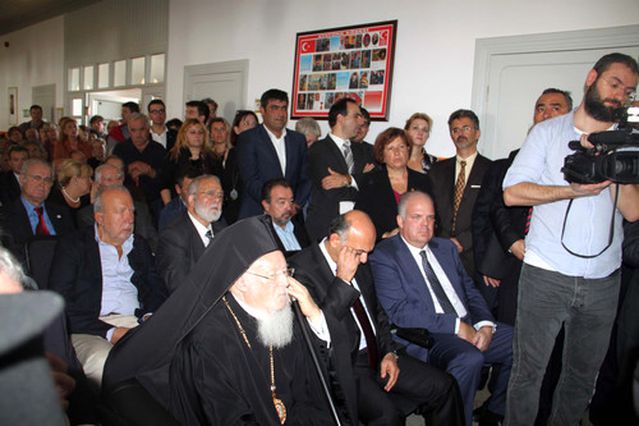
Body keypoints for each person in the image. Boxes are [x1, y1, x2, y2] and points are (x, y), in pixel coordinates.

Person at [502, 52, 639, 425]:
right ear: (592, 78)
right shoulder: (548, 132)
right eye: (614, 84)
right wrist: (571, 190)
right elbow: (512, 193)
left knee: (581, 379)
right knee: (528, 374)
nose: (619, 95)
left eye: (628, 91)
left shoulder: (626, 141)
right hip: (546, 274)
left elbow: (632, 212)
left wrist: (614, 166)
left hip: (603, 281)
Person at [103, 215, 340, 425]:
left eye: (285, 272)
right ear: (240, 281)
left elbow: (317, 391)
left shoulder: (285, 317)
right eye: (272, 275)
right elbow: (228, 417)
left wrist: (315, 316)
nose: (286, 283)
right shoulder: (209, 342)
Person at [290, 210, 465, 425]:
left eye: (368, 252)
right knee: (388, 417)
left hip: (379, 353)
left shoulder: (360, 259)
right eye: (359, 252)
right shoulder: (301, 271)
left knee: (444, 386)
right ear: (335, 240)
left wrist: (389, 352)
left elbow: (377, 313)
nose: (365, 259)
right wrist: (342, 281)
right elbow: (320, 331)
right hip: (347, 365)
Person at [369, 191, 513, 426]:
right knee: (469, 359)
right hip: (430, 334)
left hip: (468, 323)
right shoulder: (385, 255)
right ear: (400, 221)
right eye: (417, 217)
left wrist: (486, 324)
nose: (425, 224)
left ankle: (495, 412)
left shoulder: (445, 247)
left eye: (430, 217)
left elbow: (470, 291)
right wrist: (456, 327)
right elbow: (399, 311)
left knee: (519, 343)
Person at [48, 186, 166, 386]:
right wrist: (110, 332)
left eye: (132, 211)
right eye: (121, 211)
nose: (130, 219)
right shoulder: (74, 245)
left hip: (135, 323)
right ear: (100, 218)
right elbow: (58, 303)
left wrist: (149, 316)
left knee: (174, 352)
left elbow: (156, 288)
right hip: (89, 328)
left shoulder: (138, 245)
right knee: (105, 362)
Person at [427, 109, 492, 282]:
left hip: (476, 255)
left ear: (477, 133)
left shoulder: (491, 170)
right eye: (455, 130)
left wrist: (463, 241)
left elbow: (491, 215)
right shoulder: (437, 170)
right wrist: (442, 242)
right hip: (440, 250)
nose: (460, 133)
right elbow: (431, 209)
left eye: (466, 128)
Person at [306, 98, 376, 241]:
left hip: (358, 227)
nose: (361, 121)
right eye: (356, 116)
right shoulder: (319, 149)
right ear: (340, 118)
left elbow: (374, 183)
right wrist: (360, 181)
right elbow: (332, 192)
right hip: (327, 227)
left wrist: (347, 180)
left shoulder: (364, 151)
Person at [236, 89, 311, 218]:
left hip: (291, 214)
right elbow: (250, 180)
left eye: (284, 108)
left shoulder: (298, 140)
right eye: (274, 108)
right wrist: (274, 205)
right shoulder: (248, 138)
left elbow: (306, 177)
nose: (280, 113)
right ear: (262, 110)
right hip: (258, 212)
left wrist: (295, 204)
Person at [355, 127, 431, 239]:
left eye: (401, 147)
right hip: (382, 243)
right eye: (390, 148)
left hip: (417, 241)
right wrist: (384, 235)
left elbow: (434, 217)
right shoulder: (371, 181)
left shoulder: (423, 180)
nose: (397, 153)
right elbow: (360, 217)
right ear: (382, 155)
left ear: (408, 150)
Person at [156, 175, 227, 294]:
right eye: (210, 194)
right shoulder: (173, 237)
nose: (217, 200)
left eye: (220, 195)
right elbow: (179, 287)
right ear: (192, 200)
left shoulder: (222, 229)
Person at [0, 159, 75, 265]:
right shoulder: (5, 216)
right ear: (22, 179)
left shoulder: (62, 213)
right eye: (37, 178)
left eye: (47, 180)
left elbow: (73, 247)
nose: (42, 184)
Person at [76, 163, 159, 252]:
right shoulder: (88, 215)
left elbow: (155, 242)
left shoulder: (141, 209)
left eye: (119, 178)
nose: (116, 183)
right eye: (109, 179)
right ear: (98, 185)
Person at [112, 113, 166, 220]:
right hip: (126, 200)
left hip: (154, 201)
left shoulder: (158, 150)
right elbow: (112, 174)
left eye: (142, 129)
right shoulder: (120, 149)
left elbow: (167, 178)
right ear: (129, 131)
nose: (138, 134)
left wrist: (150, 172)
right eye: (133, 130)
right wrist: (128, 169)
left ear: (148, 129)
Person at [159, 118, 221, 205]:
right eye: (192, 132)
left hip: (206, 203)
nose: (197, 136)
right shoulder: (173, 156)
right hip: (179, 203)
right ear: (184, 135)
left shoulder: (212, 157)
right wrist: (169, 207)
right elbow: (164, 185)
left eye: (200, 132)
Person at [261, 178, 310, 258]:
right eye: (282, 202)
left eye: (291, 201)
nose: (289, 208)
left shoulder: (299, 228)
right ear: (266, 205)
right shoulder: (260, 234)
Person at [46, 159, 92, 225]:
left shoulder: (87, 200)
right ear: (75, 180)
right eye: (88, 178)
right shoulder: (53, 200)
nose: (91, 182)